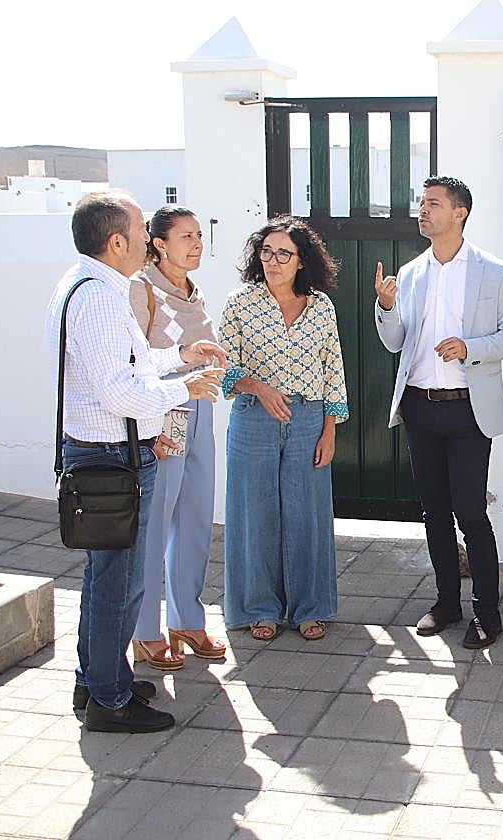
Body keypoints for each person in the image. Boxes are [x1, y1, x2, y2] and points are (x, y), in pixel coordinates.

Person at [45, 191, 225, 733]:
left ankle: (97, 680)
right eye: (143, 229)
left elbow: (132, 361)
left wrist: (179, 357)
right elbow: (119, 391)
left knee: (105, 580)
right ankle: (109, 699)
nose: (149, 238)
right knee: (117, 585)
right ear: (116, 241)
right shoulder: (101, 298)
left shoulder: (86, 284)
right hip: (112, 457)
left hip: (103, 453)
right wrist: (184, 389)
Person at [373, 175, 503, 650]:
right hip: (419, 407)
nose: (423, 210)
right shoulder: (411, 273)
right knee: (434, 513)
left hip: (468, 411)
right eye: (421, 202)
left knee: (471, 514)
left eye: (433, 203)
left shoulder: (495, 272)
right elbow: (395, 342)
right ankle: (446, 603)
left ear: (460, 213)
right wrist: (386, 307)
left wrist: (470, 347)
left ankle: (487, 613)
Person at [219, 216, 348, 642]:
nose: (272, 261)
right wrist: (258, 387)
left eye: (283, 254)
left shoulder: (321, 307)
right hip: (254, 417)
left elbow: (333, 370)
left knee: (307, 514)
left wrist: (329, 430)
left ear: (301, 260)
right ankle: (260, 608)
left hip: (309, 419)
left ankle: (310, 608)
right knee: (254, 514)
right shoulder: (240, 303)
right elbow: (224, 367)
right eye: (266, 252)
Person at [127, 205, 226, 671]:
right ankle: (145, 630)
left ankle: (187, 620)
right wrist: (150, 427)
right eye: (186, 236)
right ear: (159, 243)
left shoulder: (194, 291)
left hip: (200, 408)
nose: (197, 244)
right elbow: (134, 361)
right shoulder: (141, 288)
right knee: (155, 525)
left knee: (194, 518)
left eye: (199, 235)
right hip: (164, 411)